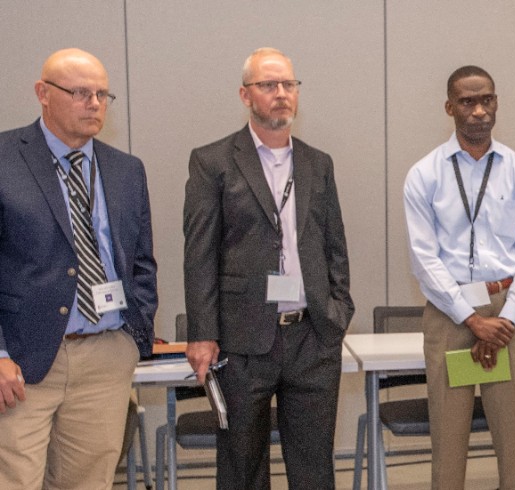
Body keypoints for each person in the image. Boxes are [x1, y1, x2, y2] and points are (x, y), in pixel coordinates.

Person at [184, 47, 353, 489]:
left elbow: (335, 245)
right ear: (245, 95)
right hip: (242, 342)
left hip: (311, 337)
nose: (281, 94)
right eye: (269, 85)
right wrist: (203, 332)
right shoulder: (213, 162)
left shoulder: (318, 163)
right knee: (242, 466)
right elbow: (199, 253)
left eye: (289, 85)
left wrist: (337, 312)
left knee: (314, 467)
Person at [0, 48, 158, 490]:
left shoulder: (126, 170)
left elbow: (141, 260)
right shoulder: (5, 158)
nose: (94, 104)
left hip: (105, 356)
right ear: (42, 94)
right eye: (81, 92)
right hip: (22, 362)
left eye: (103, 95)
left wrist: (133, 337)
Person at [404, 65, 515, 490]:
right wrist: (472, 319)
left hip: (509, 313)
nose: (479, 110)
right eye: (468, 101)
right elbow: (423, 259)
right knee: (448, 444)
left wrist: (504, 320)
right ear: (450, 107)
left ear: (497, 102)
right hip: (450, 314)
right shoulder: (425, 174)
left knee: (512, 441)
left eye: (487, 99)